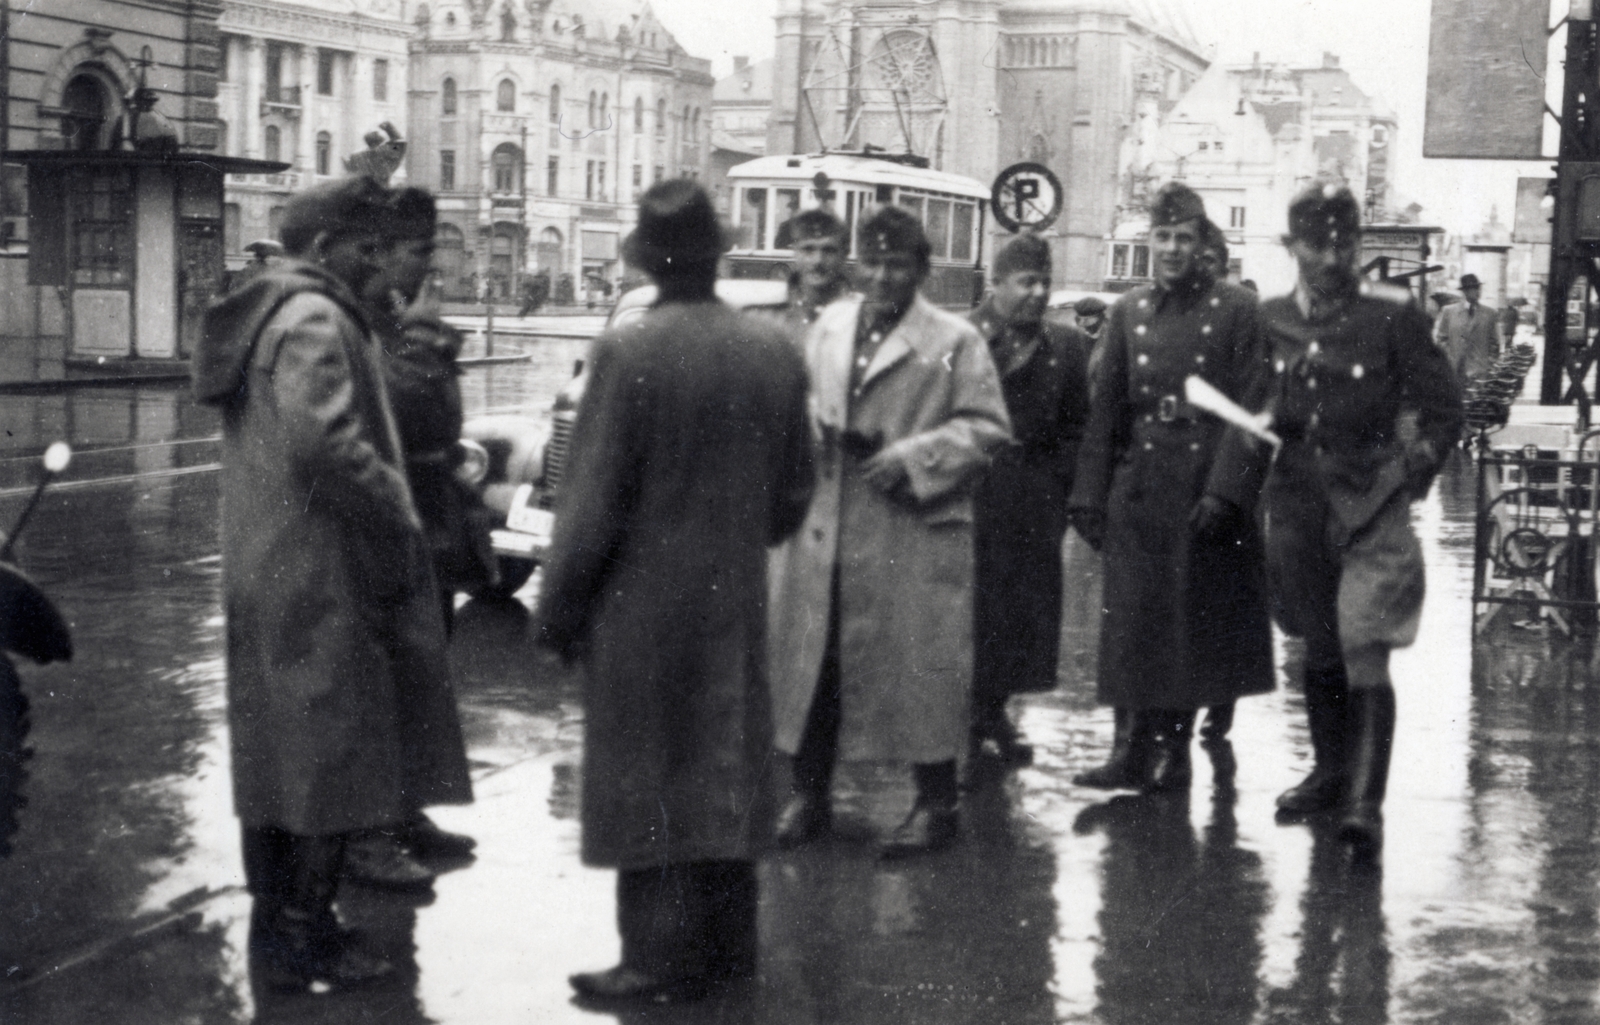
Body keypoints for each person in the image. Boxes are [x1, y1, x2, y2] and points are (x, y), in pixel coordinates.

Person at [536, 180, 815, 1004]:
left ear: (647, 260)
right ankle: (730, 952)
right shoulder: (772, 349)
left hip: (639, 604)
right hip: (734, 595)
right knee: (725, 769)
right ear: (716, 252)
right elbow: (796, 492)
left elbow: (589, 501)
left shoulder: (630, 350)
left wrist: (558, 611)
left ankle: (653, 957)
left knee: (647, 774)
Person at [193, 177, 472, 990]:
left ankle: (282, 933)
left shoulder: (265, 311)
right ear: (324, 250)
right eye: (367, 247)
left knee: (280, 759)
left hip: (272, 565)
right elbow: (326, 446)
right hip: (322, 571)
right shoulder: (314, 318)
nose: (381, 260)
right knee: (329, 758)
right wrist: (399, 509)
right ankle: (306, 936)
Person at [767, 205, 1012, 858]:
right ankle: (809, 794)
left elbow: (988, 427)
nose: (881, 276)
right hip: (827, 524)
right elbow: (795, 402)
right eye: (871, 263)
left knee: (921, 670)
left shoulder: (956, 340)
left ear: (921, 270)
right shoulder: (829, 326)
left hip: (909, 529)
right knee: (817, 662)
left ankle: (937, 804)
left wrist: (914, 457)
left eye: (896, 264)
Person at [1236, 183, 1460, 861]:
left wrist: (1408, 474)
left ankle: (1365, 802)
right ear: (1292, 248)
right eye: (1317, 245)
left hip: (1372, 506)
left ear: (1357, 244)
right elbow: (1250, 414)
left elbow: (1446, 410)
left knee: (1364, 638)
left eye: (1344, 243)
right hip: (1299, 505)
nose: (1332, 258)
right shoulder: (1269, 316)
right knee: (1317, 642)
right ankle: (1331, 773)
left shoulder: (1394, 314)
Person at [1067, 181, 1274, 796]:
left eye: (1184, 237)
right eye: (1163, 237)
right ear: (1149, 240)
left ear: (1202, 242)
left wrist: (1225, 492)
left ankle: (1173, 752)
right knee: (1130, 621)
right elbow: (1105, 409)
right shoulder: (1129, 311)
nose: (1173, 249)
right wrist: (1088, 494)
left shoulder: (1238, 310)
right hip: (1140, 485)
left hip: (1199, 483)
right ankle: (1127, 751)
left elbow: (1254, 408)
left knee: (1186, 625)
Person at [336, 186, 488, 890]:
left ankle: (402, 812)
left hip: (430, 505)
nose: (429, 265)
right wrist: (429, 343)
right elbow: (388, 403)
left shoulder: (397, 314)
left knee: (425, 667)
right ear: (384, 251)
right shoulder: (362, 316)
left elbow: (432, 414)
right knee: (383, 673)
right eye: (417, 252)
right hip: (388, 515)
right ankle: (367, 832)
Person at [967, 233, 1090, 769]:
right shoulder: (964, 339)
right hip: (973, 496)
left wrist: (1056, 488)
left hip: (1033, 502)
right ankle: (963, 734)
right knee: (969, 616)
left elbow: (1077, 428)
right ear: (997, 285)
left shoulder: (1067, 346)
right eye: (1026, 282)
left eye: (1044, 281)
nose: (1038, 292)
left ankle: (995, 714)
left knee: (1020, 620)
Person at [752, 207, 854, 332]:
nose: (818, 260)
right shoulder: (765, 316)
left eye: (829, 250)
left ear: (844, 255)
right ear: (795, 252)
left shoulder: (859, 316)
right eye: (808, 250)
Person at [1433, 273, 1504, 394]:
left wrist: (1489, 363)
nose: (1478, 291)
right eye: (1474, 288)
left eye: (1478, 288)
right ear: (1465, 291)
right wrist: (1449, 358)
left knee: (1477, 409)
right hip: (1454, 371)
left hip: (1480, 373)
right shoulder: (1449, 312)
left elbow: (1495, 343)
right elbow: (1441, 339)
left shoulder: (1490, 313)